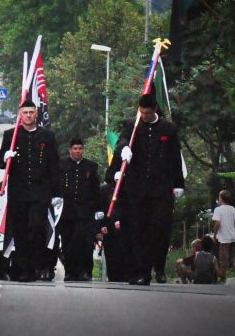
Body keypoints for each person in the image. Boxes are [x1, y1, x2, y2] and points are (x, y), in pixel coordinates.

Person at [106, 91, 185, 286]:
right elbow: (122, 141)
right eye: (141, 112)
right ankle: (141, 272)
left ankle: (156, 266)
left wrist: (178, 184)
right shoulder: (133, 125)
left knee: (157, 229)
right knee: (137, 230)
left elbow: (175, 157)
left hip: (160, 189)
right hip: (137, 189)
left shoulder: (168, 128)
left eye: (147, 113)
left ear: (155, 110)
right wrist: (124, 148)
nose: (144, 116)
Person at [0, 98, 61, 282]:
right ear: (20, 115)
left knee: (37, 228)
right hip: (18, 192)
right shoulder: (11, 135)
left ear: (36, 114)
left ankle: (37, 266)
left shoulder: (47, 136)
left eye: (31, 112)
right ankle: (23, 269)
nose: (28, 115)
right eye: (25, 112)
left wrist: (57, 193)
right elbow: (1, 162)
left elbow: (54, 165)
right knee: (20, 231)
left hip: (40, 191)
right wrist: (5, 155)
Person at [58, 136, 101, 282]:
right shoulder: (61, 165)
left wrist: (98, 209)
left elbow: (96, 190)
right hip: (67, 212)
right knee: (68, 243)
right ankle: (70, 271)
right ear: (70, 150)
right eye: (75, 148)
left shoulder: (91, 166)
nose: (77, 151)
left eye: (80, 148)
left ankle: (85, 271)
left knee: (85, 243)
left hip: (85, 212)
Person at [212, 189, 235, 280]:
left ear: (221, 198)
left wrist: (214, 235)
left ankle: (223, 276)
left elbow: (217, 223)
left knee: (223, 258)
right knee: (231, 256)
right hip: (233, 236)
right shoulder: (232, 208)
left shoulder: (218, 209)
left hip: (223, 238)